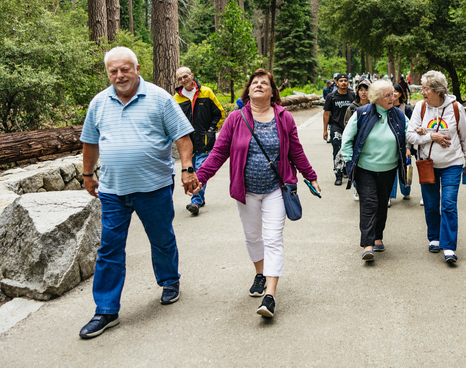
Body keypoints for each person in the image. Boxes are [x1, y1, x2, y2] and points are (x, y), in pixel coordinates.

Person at [78, 47, 199, 339]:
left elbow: (182, 137)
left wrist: (187, 168)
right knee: (109, 249)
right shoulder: (98, 103)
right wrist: (87, 174)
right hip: (112, 190)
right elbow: (90, 143)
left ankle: (169, 280)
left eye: (125, 69)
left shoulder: (160, 98)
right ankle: (106, 310)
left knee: (161, 239)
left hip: (153, 187)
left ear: (137, 68)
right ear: (107, 73)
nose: (119, 76)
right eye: (113, 71)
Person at [195, 69, 319, 318]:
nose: (259, 85)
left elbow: (296, 150)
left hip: (276, 189)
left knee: (272, 238)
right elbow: (219, 153)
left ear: (273, 92)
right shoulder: (235, 118)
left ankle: (270, 296)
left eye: (265, 83)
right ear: (248, 90)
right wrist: (200, 177)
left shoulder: (283, 118)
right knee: (253, 237)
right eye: (255, 83)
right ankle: (260, 273)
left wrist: (310, 175)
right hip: (247, 191)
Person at [406, 70, 466, 264]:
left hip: (452, 163)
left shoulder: (456, 108)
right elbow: (410, 136)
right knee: (431, 203)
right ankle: (434, 237)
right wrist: (430, 136)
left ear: (438, 90)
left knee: (449, 204)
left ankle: (449, 247)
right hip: (428, 164)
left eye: (425, 89)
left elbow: (465, 137)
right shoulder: (420, 107)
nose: (422, 92)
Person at [341, 80, 408, 262]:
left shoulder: (399, 115)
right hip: (365, 168)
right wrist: (348, 162)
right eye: (388, 95)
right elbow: (347, 139)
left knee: (382, 204)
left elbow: (409, 133)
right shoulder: (362, 113)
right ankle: (368, 245)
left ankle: (378, 237)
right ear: (376, 98)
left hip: (388, 168)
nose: (392, 97)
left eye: (393, 94)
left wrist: (421, 133)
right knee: (369, 203)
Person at [174, 66, 225, 216]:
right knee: (192, 171)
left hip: (204, 142)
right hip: (187, 145)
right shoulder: (176, 99)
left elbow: (219, 113)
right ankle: (200, 198)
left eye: (185, 76)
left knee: (201, 171)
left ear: (192, 76)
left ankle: (195, 201)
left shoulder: (206, 93)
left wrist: (211, 130)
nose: (183, 80)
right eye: (180, 78)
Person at [323, 74, 355, 185]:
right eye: (341, 81)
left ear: (348, 82)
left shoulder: (352, 96)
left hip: (350, 128)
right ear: (336, 82)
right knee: (337, 150)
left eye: (345, 80)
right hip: (336, 127)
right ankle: (338, 174)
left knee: (349, 149)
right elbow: (326, 113)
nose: (343, 83)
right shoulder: (331, 97)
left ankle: (346, 169)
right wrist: (325, 130)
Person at [345, 78, 371, 201]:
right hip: (357, 143)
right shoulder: (352, 108)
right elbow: (346, 126)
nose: (363, 92)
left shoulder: (375, 107)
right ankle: (357, 187)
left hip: (371, 143)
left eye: (366, 89)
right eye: (361, 90)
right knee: (357, 167)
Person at [390, 83, 413, 204]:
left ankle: (406, 191)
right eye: (391, 91)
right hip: (389, 146)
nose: (393, 94)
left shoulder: (406, 109)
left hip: (404, 146)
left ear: (400, 93)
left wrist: (408, 147)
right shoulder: (385, 107)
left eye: (395, 91)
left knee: (404, 169)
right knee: (390, 170)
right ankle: (389, 195)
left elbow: (411, 129)